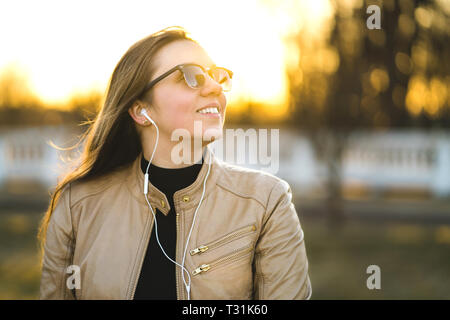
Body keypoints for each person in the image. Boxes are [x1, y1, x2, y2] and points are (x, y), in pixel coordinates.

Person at [38, 26, 312, 300]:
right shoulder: (77, 205)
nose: (215, 87)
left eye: (217, 76)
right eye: (191, 76)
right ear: (140, 110)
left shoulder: (266, 202)